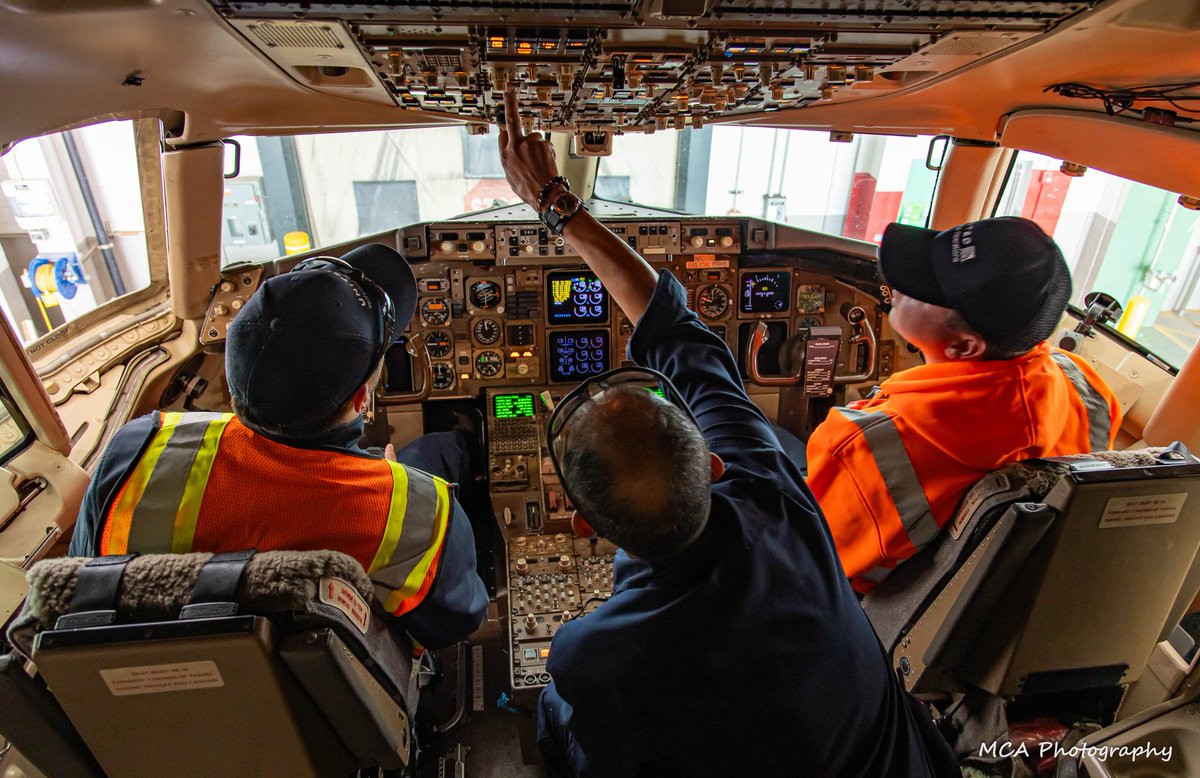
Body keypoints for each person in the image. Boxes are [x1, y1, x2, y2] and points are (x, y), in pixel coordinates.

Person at [498, 91, 957, 776]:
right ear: (714, 463)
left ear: (586, 523)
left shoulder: (591, 654)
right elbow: (681, 334)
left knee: (557, 713)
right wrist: (558, 203)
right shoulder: (781, 499)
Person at [69, 244, 488, 649]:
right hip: (337, 702)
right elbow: (457, 621)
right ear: (362, 400)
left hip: (180, 686)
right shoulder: (419, 512)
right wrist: (397, 482)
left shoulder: (139, 450)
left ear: (233, 390)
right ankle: (466, 438)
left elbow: (86, 585)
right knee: (437, 454)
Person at [805, 218, 1123, 593]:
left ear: (964, 347)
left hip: (861, 610)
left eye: (922, 287)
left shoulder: (868, 447)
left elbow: (803, 559)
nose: (895, 286)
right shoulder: (1082, 382)